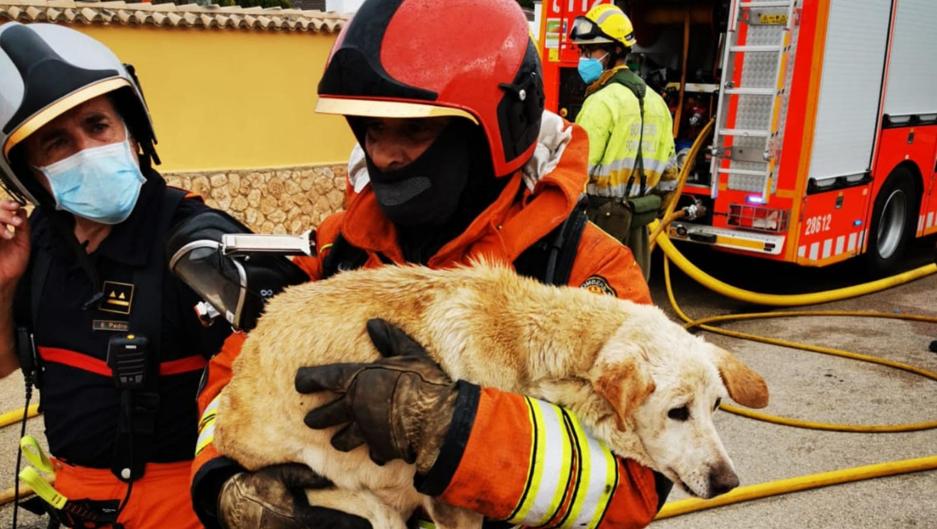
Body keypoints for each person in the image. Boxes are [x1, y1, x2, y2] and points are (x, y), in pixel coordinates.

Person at [188, 0, 672, 528]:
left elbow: (637, 485)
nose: (387, 155)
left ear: (497, 130)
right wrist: (224, 485)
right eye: (372, 130)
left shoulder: (583, 268)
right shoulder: (338, 250)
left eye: (414, 132)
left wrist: (452, 425)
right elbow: (239, 378)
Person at [0, 23, 232, 528]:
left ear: (132, 131)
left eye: (97, 125)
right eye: (57, 142)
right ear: (29, 171)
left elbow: (277, 387)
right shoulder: (38, 243)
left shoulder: (196, 244)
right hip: (77, 507)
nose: (85, 149)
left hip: (186, 510)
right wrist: (5, 281)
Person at [569, 4, 678, 279]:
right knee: (630, 306)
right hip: (638, 228)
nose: (584, 58)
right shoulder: (658, 103)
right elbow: (668, 180)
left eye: (590, 50)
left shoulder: (600, 102)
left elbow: (573, 169)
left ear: (616, 51)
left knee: (591, 307)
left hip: (597, 226)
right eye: (582, 50)